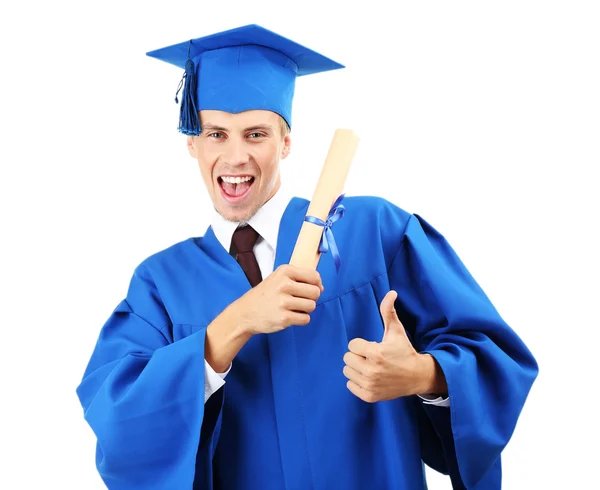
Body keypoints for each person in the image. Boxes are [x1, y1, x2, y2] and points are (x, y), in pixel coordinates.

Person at [76, 24, 538, 490]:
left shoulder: (373, 234)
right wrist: (231, 325)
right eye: (216, 133)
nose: (235, 156)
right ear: (192, 143)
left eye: (255, 133)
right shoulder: (161, 284)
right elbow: (118, 426)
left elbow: (497, 362)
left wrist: (423, 374)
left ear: (286, 141)